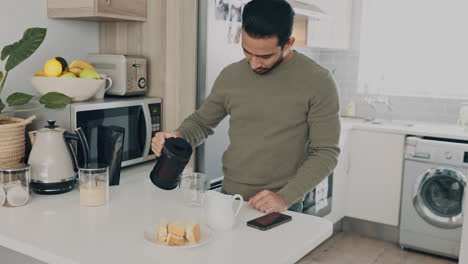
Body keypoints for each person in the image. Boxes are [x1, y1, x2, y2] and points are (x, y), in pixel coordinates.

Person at [151, 0, 340, 214]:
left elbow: (325, 152)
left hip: (281, 207)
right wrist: (177, 137)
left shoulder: (318, 81)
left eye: (265, 56)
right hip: (228, 199)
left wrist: (285, 198)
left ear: (288, 44)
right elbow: (202, 123)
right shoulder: (231, 75)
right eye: (247, 52)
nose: (254, 64)